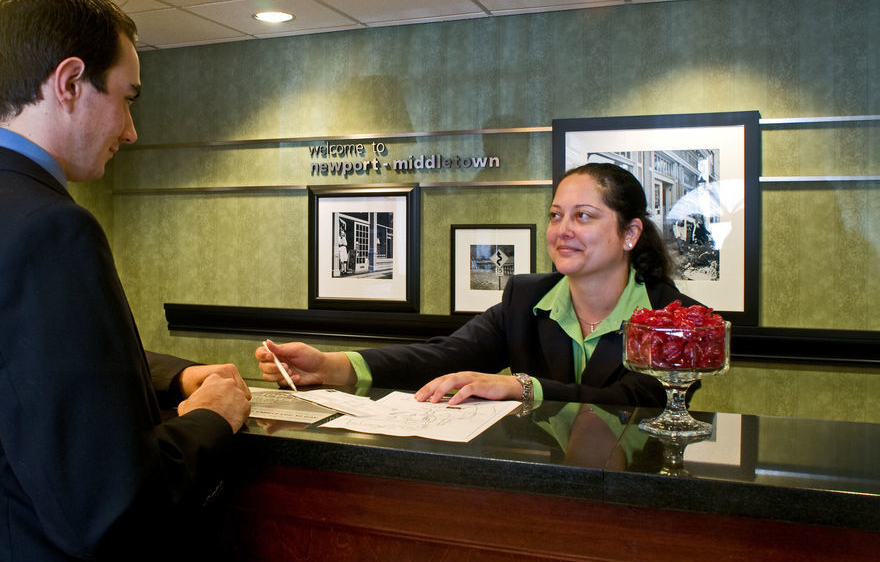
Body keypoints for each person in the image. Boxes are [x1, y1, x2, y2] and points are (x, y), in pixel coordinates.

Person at [0, 0, 251, 561]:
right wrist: (211, 420)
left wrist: (170, 376)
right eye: (127, 98)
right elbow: (109, 506)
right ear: (69, 82)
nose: (132, 131)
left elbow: (23, 372)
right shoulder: (50, 229)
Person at [257, 162, 703, 409]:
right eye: (555, 214)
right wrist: (336, 366)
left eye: (583, 216)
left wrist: (522, 387)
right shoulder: (525, 298)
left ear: (630, 234)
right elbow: (446, 355)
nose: (562, 229)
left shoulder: (678, 319)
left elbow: (641, 399)